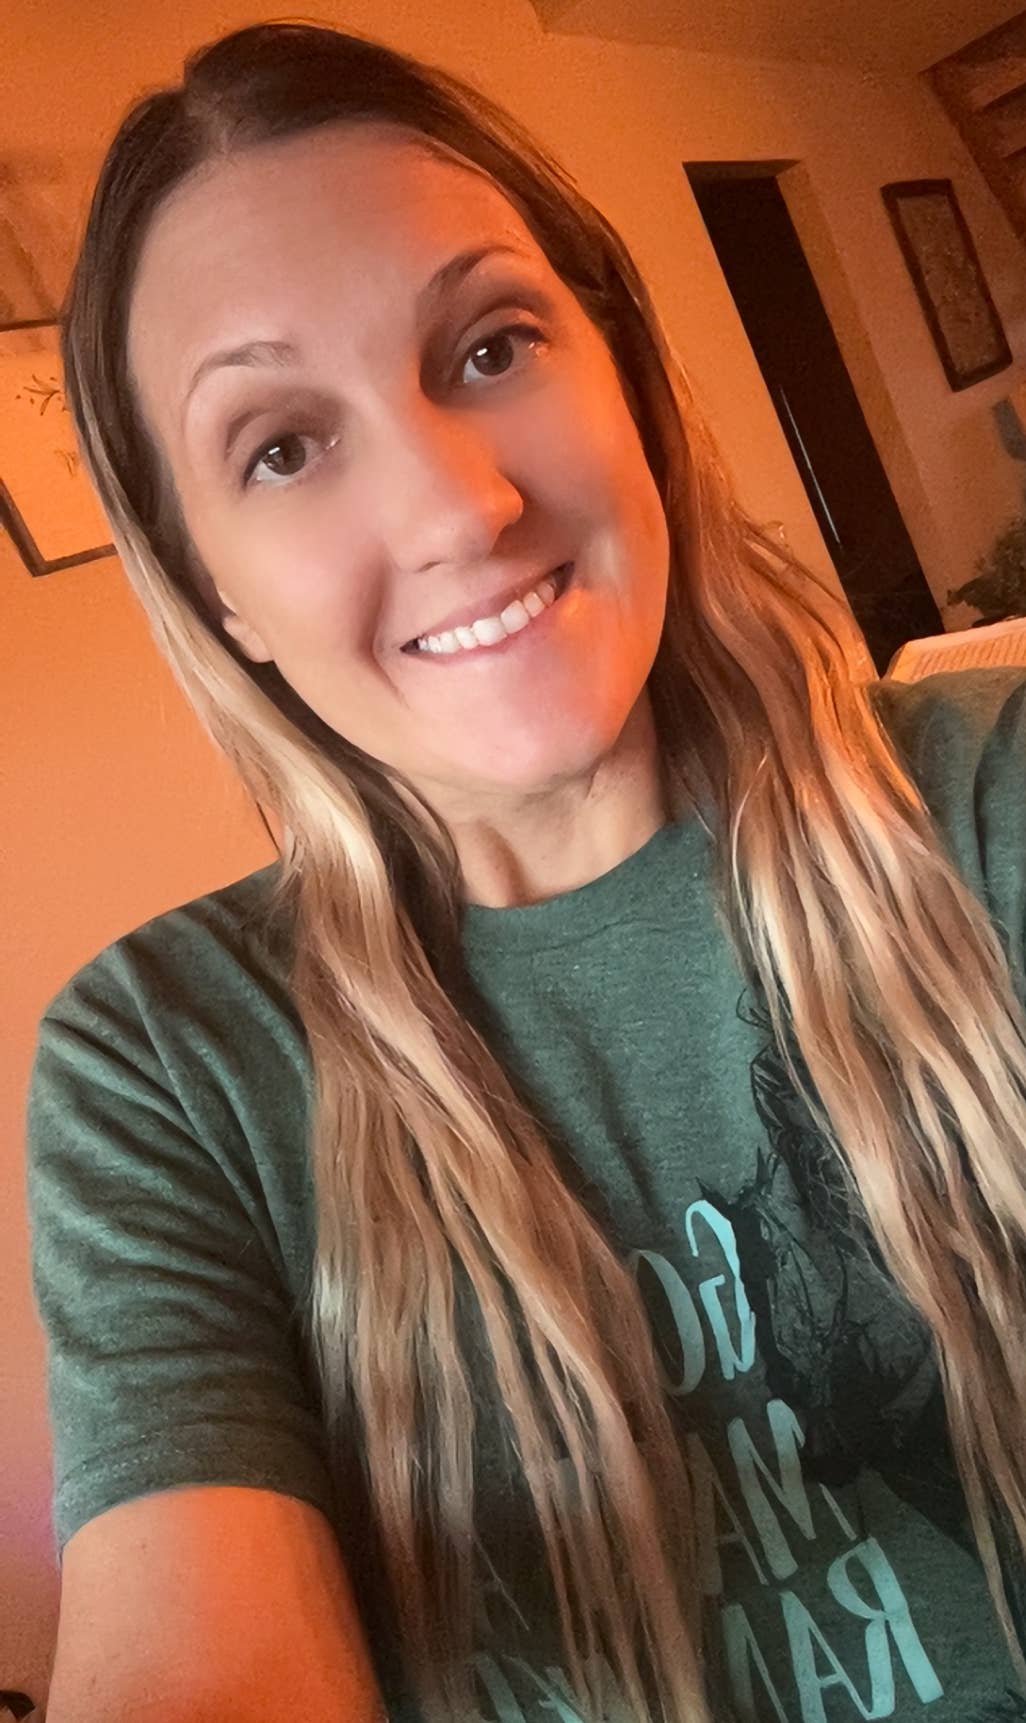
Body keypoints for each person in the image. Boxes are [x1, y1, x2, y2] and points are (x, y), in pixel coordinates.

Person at [24, 19, 1026, 1723]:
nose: (457, 507)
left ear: (622, 370)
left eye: (489, 347)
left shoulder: (985, 792)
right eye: (281, 446)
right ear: (213, 595)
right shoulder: (166, 1063)